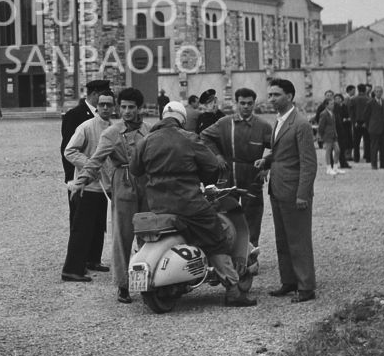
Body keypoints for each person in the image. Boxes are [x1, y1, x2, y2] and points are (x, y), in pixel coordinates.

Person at [130, 101, 244, 305]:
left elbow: (135, 170)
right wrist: (199, 175)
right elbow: (212, 165)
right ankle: (233, 289)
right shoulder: (189, 138)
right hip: (189, 203)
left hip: (157, 205)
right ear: (182, 119)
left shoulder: (145, 141)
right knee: (215, 235)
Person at [71, 87, 150, 303]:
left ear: (139, 108)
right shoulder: (112, 133)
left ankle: (146, 283)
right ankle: (123, 285)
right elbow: (96, 159)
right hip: (123, 184)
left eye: (131, 107)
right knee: (122, 236)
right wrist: (81, 181)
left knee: (147, 234)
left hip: (145, 184)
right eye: (123, 107)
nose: (126, 111)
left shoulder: (149, 131)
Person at [200, 86, 274, 298]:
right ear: (236, 103)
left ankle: (251, 257)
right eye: (242, 103)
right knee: (227, 217)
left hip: (251, 175)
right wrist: (216, 155)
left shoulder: (262, 126)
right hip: (228, 174)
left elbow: (276, 147)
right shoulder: (225, 123)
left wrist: (266, 166)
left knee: (252, 216)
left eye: (250, 103)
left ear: (255, 103)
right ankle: (226, 259)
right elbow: (204, 136)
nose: (246, 107)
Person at [256, 78, 317, 303]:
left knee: (299, 240)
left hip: (294, 192)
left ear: (289, 96)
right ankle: (289, 281)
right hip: (278, 189)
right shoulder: (279, 121)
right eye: (270, 94)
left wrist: (303, 194)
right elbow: (283, 152)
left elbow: (308, 163)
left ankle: (306, 287)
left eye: (276, 95)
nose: (271, 99)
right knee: (283, 239)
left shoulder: (300, 123)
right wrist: (267, 161)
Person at [61, 88, 116, 281]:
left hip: (105, 188)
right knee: (81, 228)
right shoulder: (86, 127)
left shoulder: (114, 128)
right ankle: (72, 269)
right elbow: (70, 151)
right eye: (102, 104)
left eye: (109, 104)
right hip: (87, 186)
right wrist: (90, 165)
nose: (106, 108)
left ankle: (93, 259)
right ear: (97, 106)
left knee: (99, 225)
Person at [60, 79, 111, 213]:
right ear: (95, 94)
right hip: (82, 179)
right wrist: (71, 178)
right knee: (80, 223)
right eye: (104, 94)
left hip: (102, 182)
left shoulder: (106, 116)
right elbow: (66, 148)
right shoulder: (74, 115)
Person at [316, 97, 342, 175]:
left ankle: (335, 167)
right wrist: (320, 135)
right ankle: (328, 168)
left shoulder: (332, 113)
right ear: (326, 105)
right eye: (331, 104)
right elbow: (321, 126)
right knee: (328, 151)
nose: (333, 105)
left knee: (337, 150)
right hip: (327, 135)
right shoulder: (323, 114)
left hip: (333, 134)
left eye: (333, 104)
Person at [365, 87, 384, 169]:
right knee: (374, 147)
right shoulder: (370, 103)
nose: (379, 93)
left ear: (382, 92)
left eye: (380, 92)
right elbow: (366, 116)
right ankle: (374, 164)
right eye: (377, 92)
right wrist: (369, 126)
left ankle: (383, 164)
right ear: (374, 93)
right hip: (374, 128)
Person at [350, 83, 371, 163]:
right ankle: (368, 158)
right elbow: (370, 112)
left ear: (358, 90)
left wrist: (354, 122)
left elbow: (351, 113)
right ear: (365, 90)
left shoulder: (353, 99)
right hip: (366, 122)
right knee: (367, 141)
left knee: (356, 142)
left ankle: (356, 158)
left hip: (356, 122)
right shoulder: (369, 99)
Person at [332, 91, 353, 169]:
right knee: (336, 148)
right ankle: (334, 164)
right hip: (337, 129)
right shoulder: (334, 107)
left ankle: (343, 162)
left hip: (345, 128)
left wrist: (347, 119)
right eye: (336, 98)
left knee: (342, 147)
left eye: (339, 98)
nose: (337, 100)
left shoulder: (344, 106)